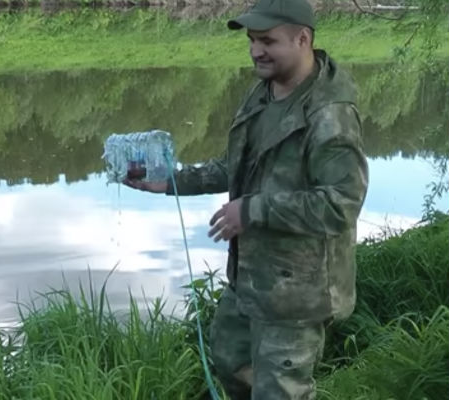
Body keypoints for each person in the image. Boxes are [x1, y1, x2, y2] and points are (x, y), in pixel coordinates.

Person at [123, 0, 369, 398]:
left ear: (302, 38)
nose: (256, 50)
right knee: (229, 359)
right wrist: (171, 181)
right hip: (251, 278)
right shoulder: (262, 92)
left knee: (279, 391)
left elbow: (342, 203)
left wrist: (252, 210)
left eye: (268, 41)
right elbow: (235, 165)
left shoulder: (330, 114)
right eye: (253, 41)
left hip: (297, 292)